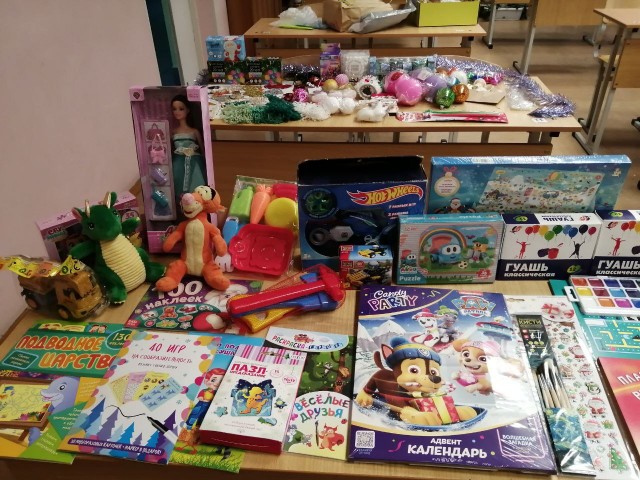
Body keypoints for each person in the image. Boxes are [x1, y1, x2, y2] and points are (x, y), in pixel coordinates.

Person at [170, 95, 207, 205]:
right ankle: (181, 206)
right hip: (178, 163)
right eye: (174, 109)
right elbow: (171, 151)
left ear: (188, 110)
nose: (177, 112)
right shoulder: (173, 132)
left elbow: (203, 151)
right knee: (178, 184)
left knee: (195, 185)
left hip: (194, 162)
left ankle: (196, 204)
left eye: (181, 109)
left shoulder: (194, 131)